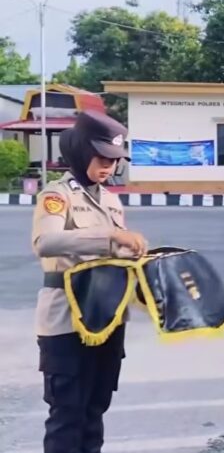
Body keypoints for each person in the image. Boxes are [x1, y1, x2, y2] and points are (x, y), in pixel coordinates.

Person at [32, 110, 149, 453]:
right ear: (83, 152)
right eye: (102, 158)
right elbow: (46, 243)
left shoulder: (111, 200)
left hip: (107, 317)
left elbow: (117, 254)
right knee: (67, 414)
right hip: (66, 320)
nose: (109, 166)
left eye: (114, 160)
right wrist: (110, 237)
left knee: (95, 410)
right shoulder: (57, 196)